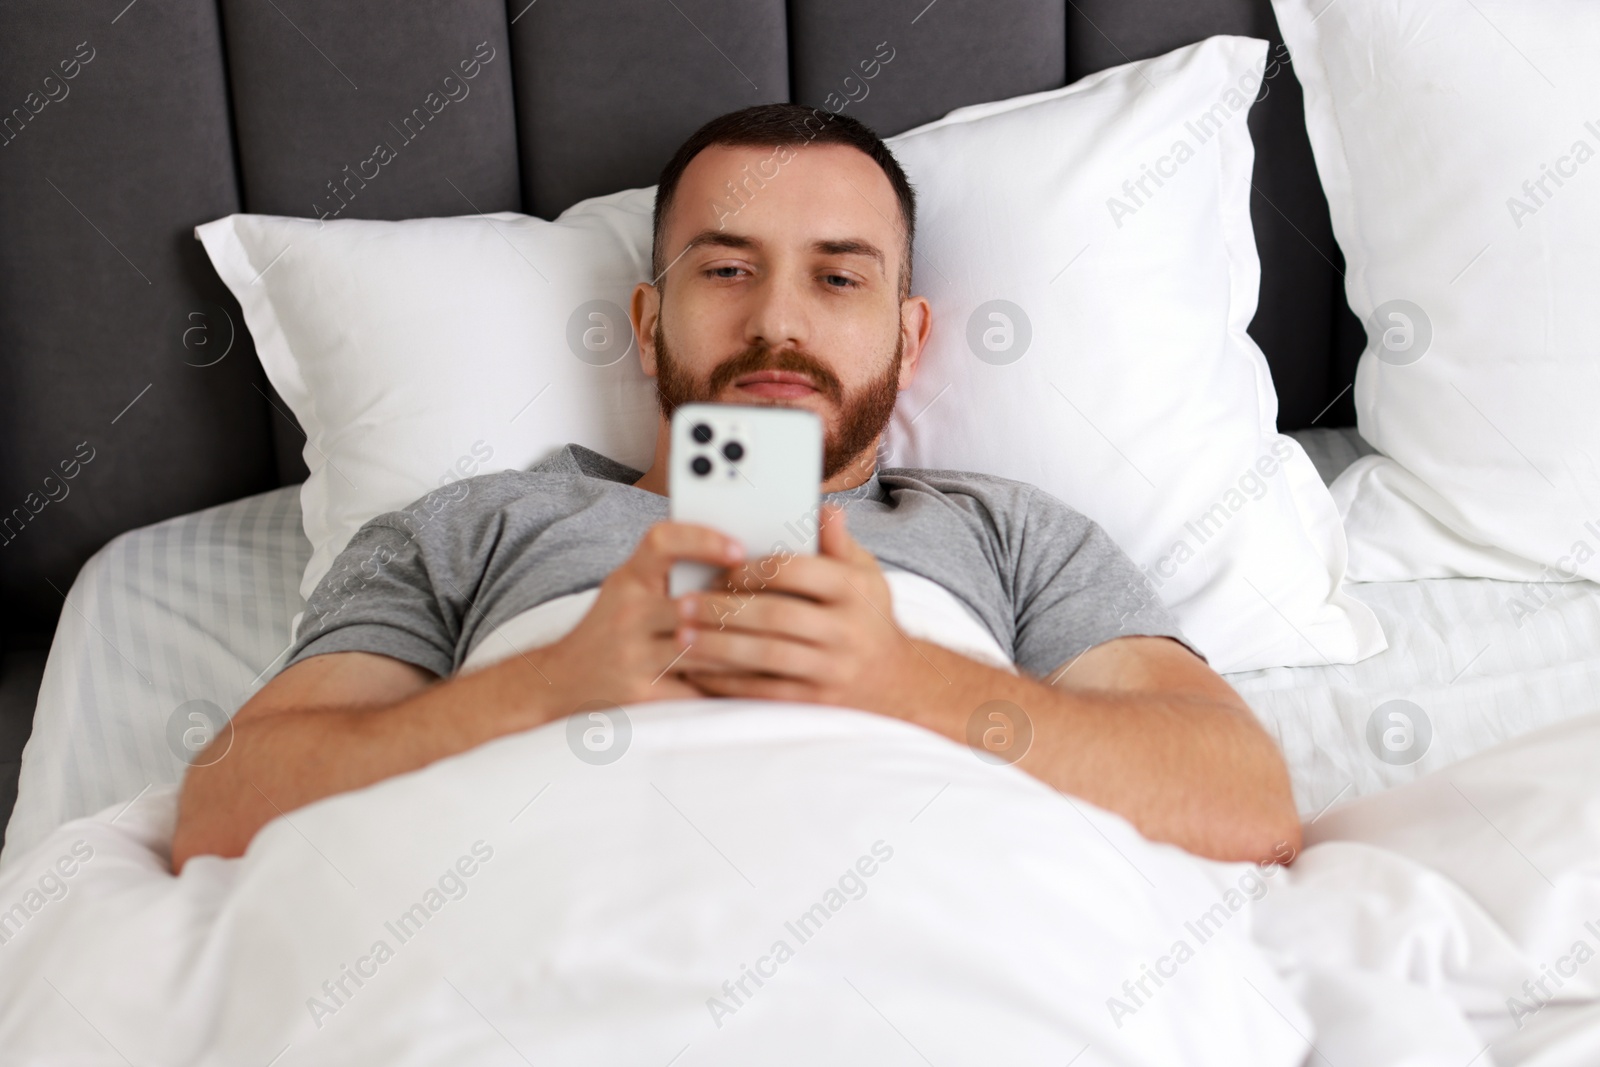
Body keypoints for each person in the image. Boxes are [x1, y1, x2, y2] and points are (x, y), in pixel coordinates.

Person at [171, 103, 1301, 872]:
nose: (777, 320)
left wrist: (905, 677)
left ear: (908, 340)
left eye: (837, 276)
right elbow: (224, 811)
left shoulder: (1010, 533)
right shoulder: (472, 525)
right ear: (650, 321)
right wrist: (551, 685)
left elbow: (1245, 801)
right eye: (725, 268)